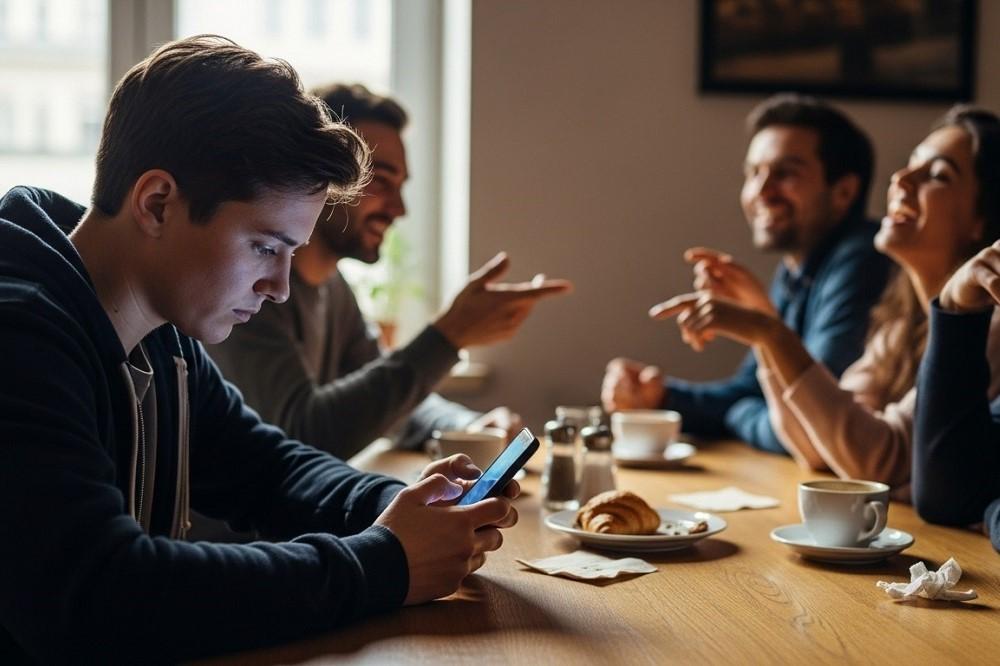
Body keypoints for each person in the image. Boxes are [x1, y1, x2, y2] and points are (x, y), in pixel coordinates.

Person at [0, 37, 521, 663]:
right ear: (157, 204)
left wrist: (397, 506)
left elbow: (267, 467)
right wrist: (385, 562)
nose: (278, 287)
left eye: (291, 254)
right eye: (264, 247)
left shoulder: (163, 336)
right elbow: (101, 594)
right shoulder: (20, 333)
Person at [651, 106, 1000, 501]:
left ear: (982, 219)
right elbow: (820, 442)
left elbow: (876, 457)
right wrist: (766, 330)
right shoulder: (901, 318)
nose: (901, 177)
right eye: (909, 165)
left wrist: (770, 333)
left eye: (937, 175)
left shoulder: (987, 323)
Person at [208, 83, 571, 459]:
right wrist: (448, 335)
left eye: (401, 186)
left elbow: (393, 405)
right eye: (381, 181)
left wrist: (467, 426)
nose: (399, 209)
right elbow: (303, 434)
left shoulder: (334, 290)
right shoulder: (254, 291)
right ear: (322, 177)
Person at [602, 94, 890, 452]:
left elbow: (812, 423)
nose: (761, 191)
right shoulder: (796, 269)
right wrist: (660, 396)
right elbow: (752, 389)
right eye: (754, 172)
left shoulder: (864, 260)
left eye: (785, 173)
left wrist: (739, 415)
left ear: (844, 191)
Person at [914, 240, 1000, 553]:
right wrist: (954, 308)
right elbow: (951, 493)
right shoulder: (889, 311)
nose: (901, 187)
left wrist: (990, 511)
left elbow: (879, 451)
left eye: (932, 185)